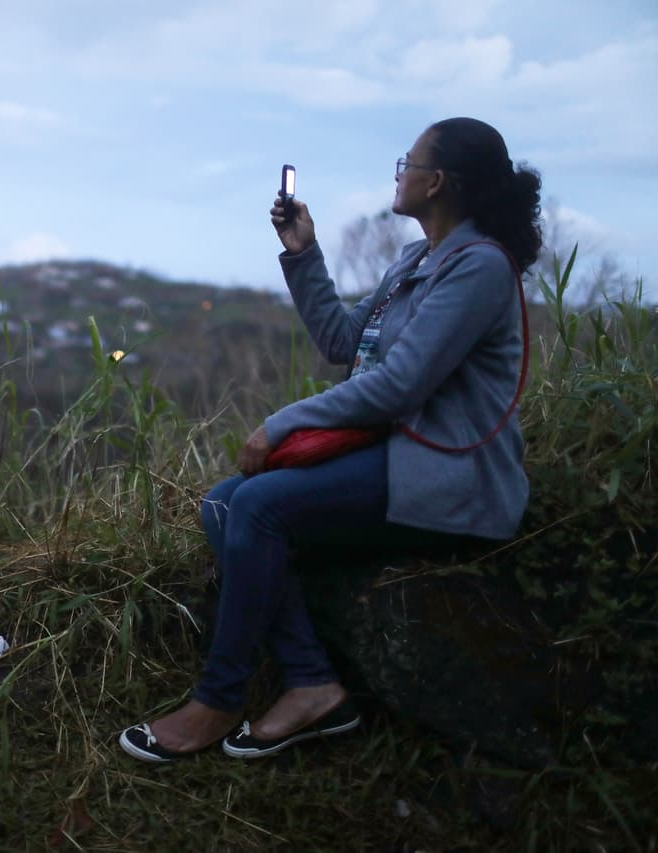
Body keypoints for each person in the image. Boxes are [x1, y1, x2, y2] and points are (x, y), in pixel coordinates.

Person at [119, 117, 542, 763]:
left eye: (409, 162)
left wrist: (283, 422)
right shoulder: (420, 258)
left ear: (437, 182)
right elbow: (346, 344)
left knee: (259, 505)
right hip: (395, 455)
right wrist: (301, 252)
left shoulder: (478, 267)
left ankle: (217, 697)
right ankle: (313, 684)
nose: (398, 172)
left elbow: (399, 385)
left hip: (450, 476)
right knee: (224, 503)